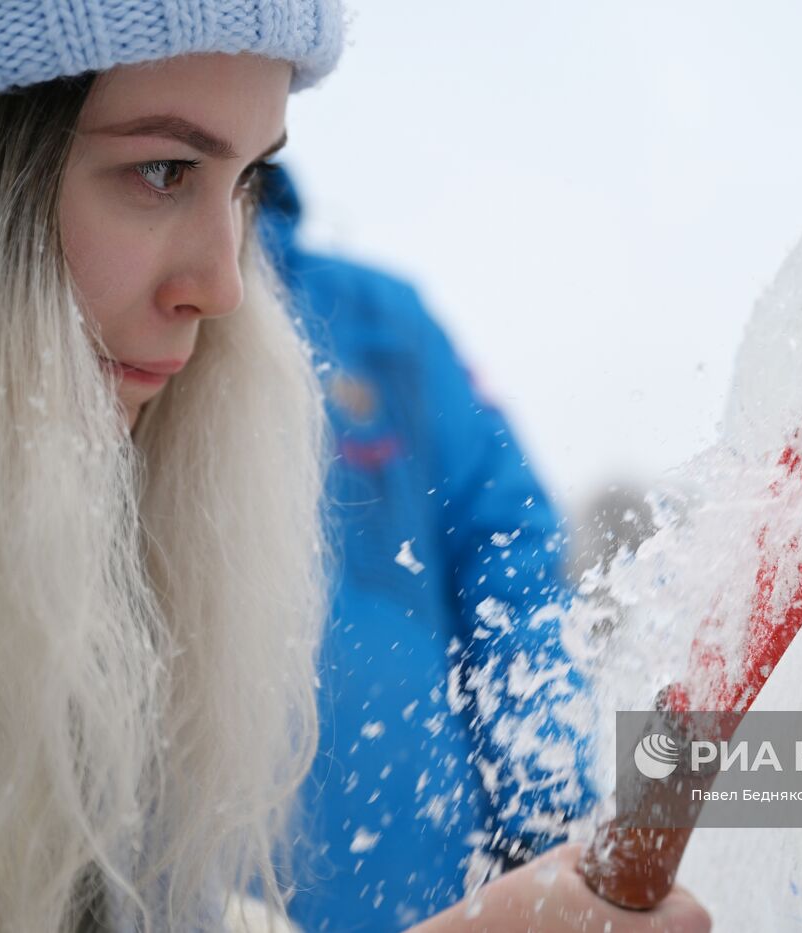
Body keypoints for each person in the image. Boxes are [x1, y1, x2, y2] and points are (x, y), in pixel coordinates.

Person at [0, 3, 710, 932]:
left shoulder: (384, 329)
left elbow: (513, 567)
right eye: (162, 169)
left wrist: (548, 840)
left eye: (249, 174)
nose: (221, 287)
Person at [255, 164, 606, 930]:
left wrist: (547, 821)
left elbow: (508, 550)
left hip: (429, 886)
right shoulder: (80, 312)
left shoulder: (381, 323)